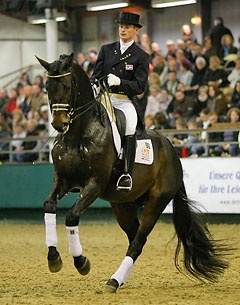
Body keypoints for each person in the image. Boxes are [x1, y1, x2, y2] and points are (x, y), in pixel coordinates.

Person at [91, 12, 149, 191]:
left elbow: (140, 86)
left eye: (127, 27)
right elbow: (96, 75)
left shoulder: (141, 55)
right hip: (104, 98)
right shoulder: (106, 50)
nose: (123, 30)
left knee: (130, 126)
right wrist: (94, 85)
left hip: (124, 101)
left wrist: (121, 83)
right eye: (121, 26)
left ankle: (126, 173)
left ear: (135, 30)